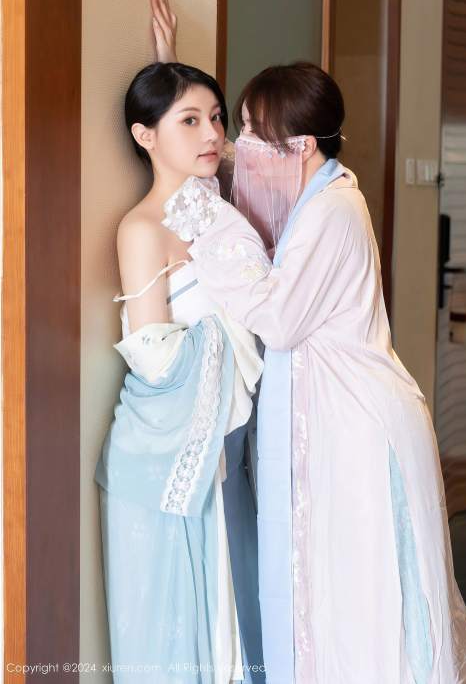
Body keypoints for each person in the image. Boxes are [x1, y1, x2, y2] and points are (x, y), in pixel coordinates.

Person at [152, 0, 466, 684]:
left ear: (300, 146)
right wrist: (170, 81)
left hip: (357, 424)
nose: (240, 145)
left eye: (252, 132)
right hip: (339, 415)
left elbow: (276, 317)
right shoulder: (312, 191)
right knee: (331, 588)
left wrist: (199, 213)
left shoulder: (335, 210)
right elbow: (224, 174)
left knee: (359, 591)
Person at [94, 58, 265, 683]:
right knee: (186, 634)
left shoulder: (209, 201)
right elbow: (155, 355)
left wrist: (167, 58)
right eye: (190, 121)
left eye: (216, 118)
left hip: (224, 441)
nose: (213, 134)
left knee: (234, 610)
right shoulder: (141, 229)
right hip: (171, 451)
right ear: (144, 136)